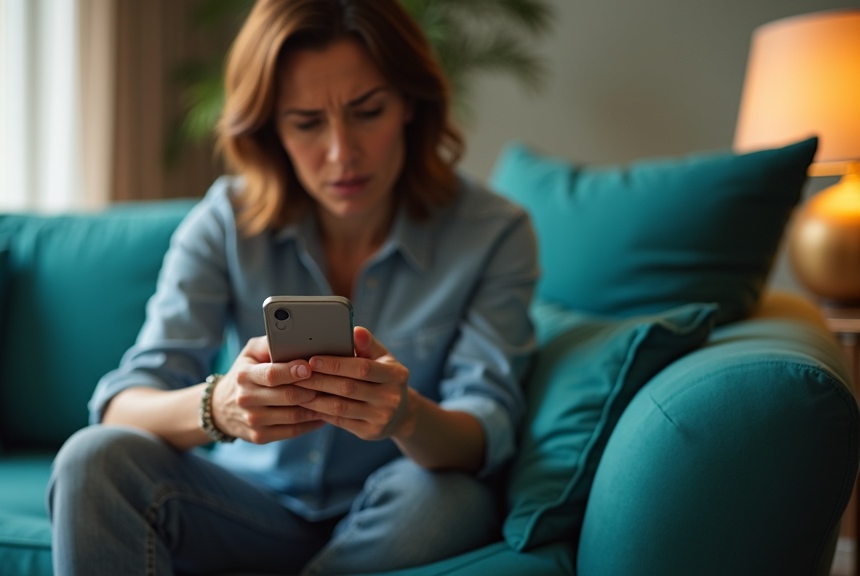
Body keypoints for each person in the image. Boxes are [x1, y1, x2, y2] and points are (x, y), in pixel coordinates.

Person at [47, 0, 539, 574]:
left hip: (395, 508)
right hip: (246, 509)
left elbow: (486, 431)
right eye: (307, 122)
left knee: (451, 497)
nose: (341, 153)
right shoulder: (225, 221)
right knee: (92, 458)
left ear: (410, 103)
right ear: (271, 130)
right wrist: (218, 407)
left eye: (367, 110)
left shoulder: (494, 232)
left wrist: (405, 415)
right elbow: (122, 407)